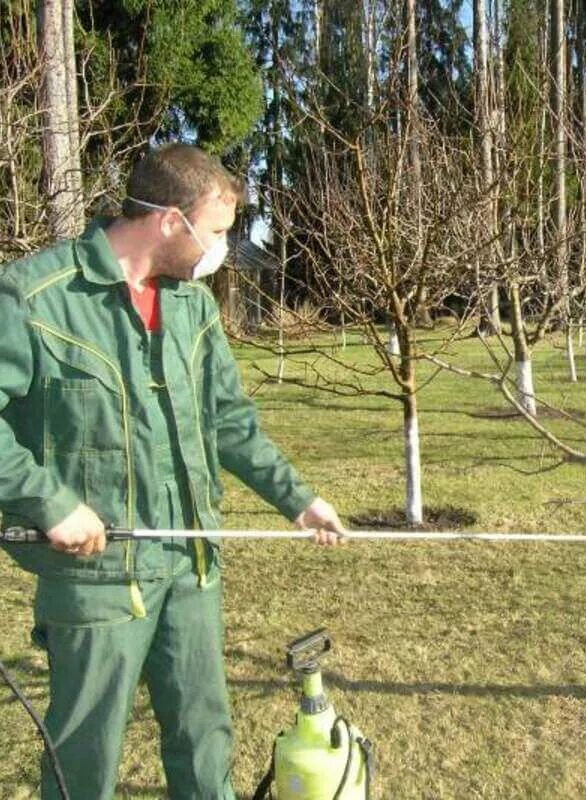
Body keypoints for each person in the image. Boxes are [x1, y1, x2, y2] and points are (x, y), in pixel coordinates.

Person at [0, 143, 346, 799]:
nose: (220, 249)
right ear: (168, 221)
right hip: (97, 581)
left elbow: (230, 422)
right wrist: (50, 502)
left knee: (203, 734)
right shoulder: (34, 298)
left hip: (191, 568)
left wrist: (299, 500)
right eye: (216, 231)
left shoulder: (193, 307)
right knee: (85, 753)